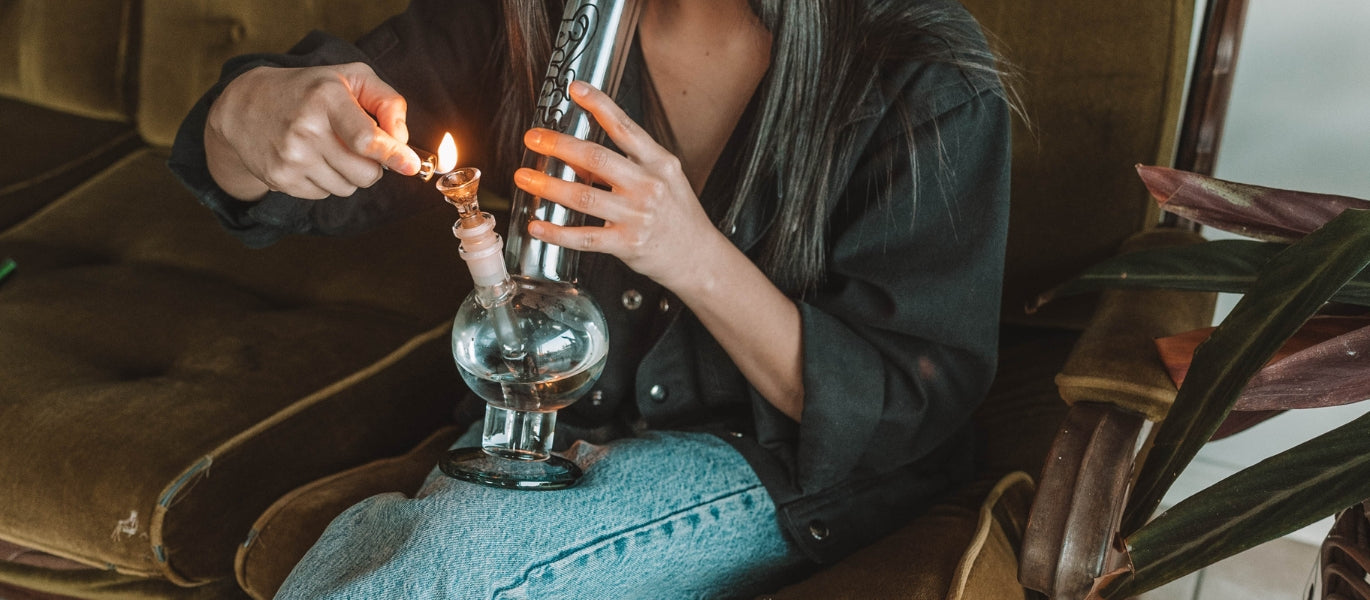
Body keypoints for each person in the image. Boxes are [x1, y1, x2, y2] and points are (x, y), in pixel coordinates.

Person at [169, 0, 1012, 597]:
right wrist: (248, 116)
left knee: (455, 559)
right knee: (368, 546)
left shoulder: (920, 69)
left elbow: (901, 405)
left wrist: (691, 253)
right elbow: (269, 161)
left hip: (777, 463)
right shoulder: (530, 17)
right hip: (547, 429)